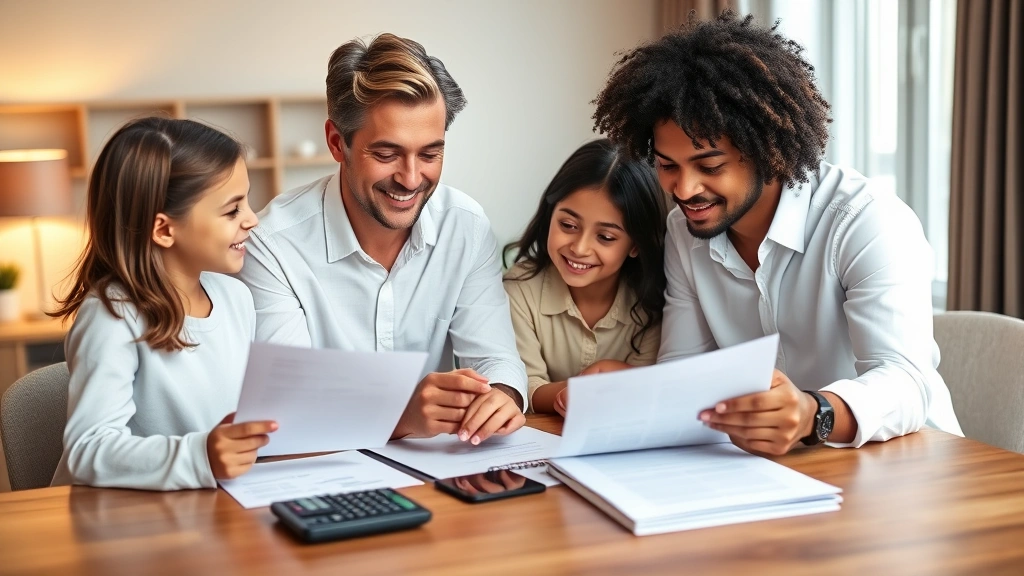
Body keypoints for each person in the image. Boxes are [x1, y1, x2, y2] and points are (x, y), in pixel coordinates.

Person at [590, 11, 962, 455]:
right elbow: (684, 370)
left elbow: (905, 381)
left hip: (910, 464)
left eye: (710, 167)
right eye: (668, 166)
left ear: (767, 152)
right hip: (780, 471)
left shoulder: (866, 221)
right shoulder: (684, 232)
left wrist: (812, 414)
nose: (684, 190)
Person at [237, 33, 527, 446]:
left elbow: (497, 359)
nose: (411, 179)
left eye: (430, 154)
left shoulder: (466, 226)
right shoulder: (271, 245)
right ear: (338, 144)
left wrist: (502, 395)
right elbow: (285, 410)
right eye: (387, 154)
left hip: (441, 477)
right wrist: (401, 413)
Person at [51, 117, 275, 490]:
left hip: (207, 509)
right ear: (165, 229)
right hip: (121, 522)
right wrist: (200, 455)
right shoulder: (112, 315)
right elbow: (88, 449)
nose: (252, 219)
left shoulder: (236, 298)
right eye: (232, 209)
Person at [503, 139, 667, 416]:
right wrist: (579, 391)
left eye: (605, 237)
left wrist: (620, 379)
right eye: (568, 225)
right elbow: (520, 387)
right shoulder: (520, 289)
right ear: (549, 214)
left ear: (636, 245)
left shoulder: (653, 301)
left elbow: (647, 390)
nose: (579, 248)